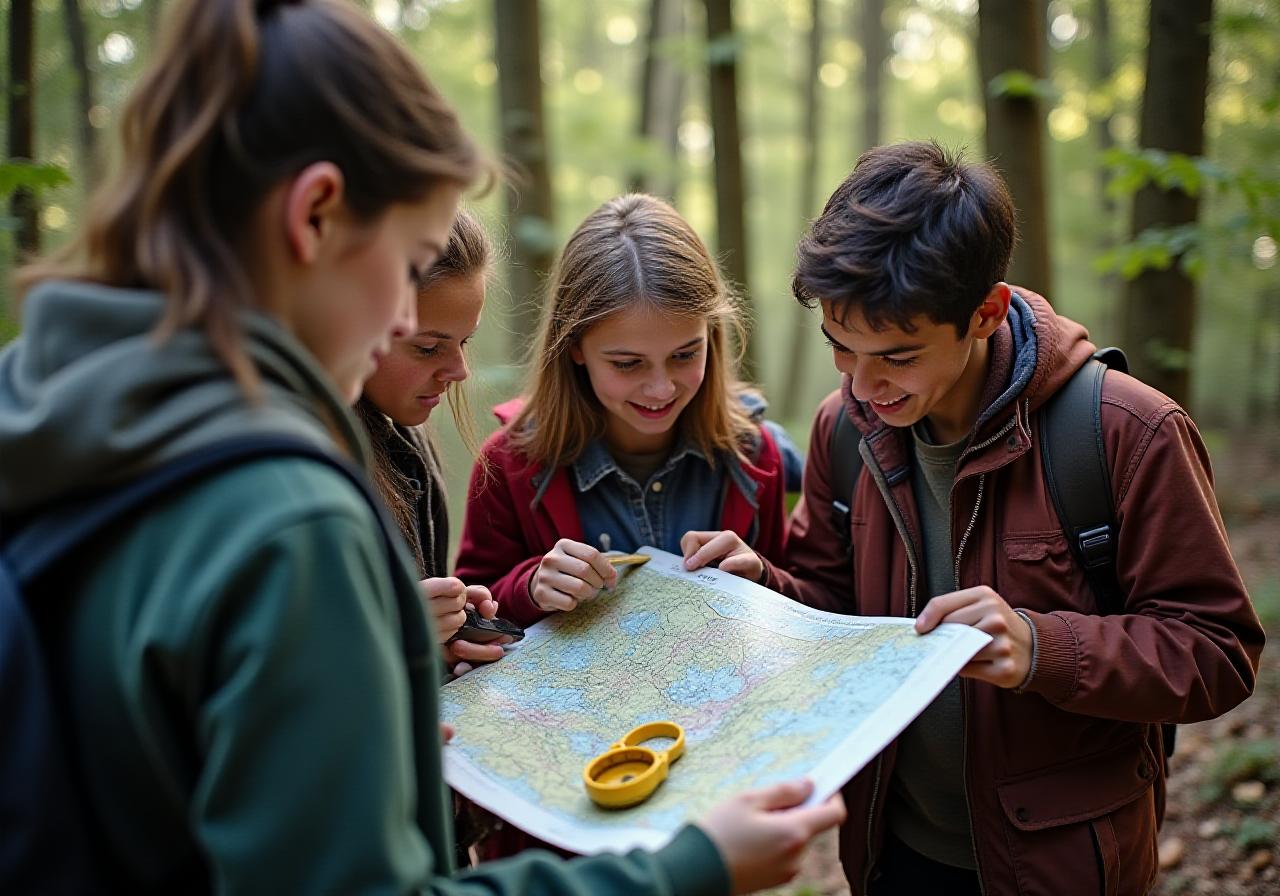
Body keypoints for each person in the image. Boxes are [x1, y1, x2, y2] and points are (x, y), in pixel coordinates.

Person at [0, 2, 843, 893]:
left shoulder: (52, 405)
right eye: (408, 264)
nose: (407, 320)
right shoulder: (285, 519)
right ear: (315, 214)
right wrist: (687, 871)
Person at [682, 141, 1264, 895]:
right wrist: (760, 585)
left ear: (985, 312)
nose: (861, 382)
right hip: (892, 851)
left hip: (1063, 867)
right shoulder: (844, 430)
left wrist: (1041, 647)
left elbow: (1217, 650)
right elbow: (836, 616)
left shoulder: (1127, 431)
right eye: (839, 347)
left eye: (895, 355)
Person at [455, 193, 789, 630]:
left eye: (685, 355)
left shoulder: (753, 454)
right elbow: (470, 614)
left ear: (712, 335)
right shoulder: (508, 464)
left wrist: (761, 574)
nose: (661, 388)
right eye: (627, 364)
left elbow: (803, 596)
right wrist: (531, 586)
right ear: (574, 347)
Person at [356, 208, 506, 677]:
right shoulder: (291, 467)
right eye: (428, 348)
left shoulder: (407, 437)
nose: (460, 370)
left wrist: (447, 630)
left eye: (464, 342)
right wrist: (393, 631)